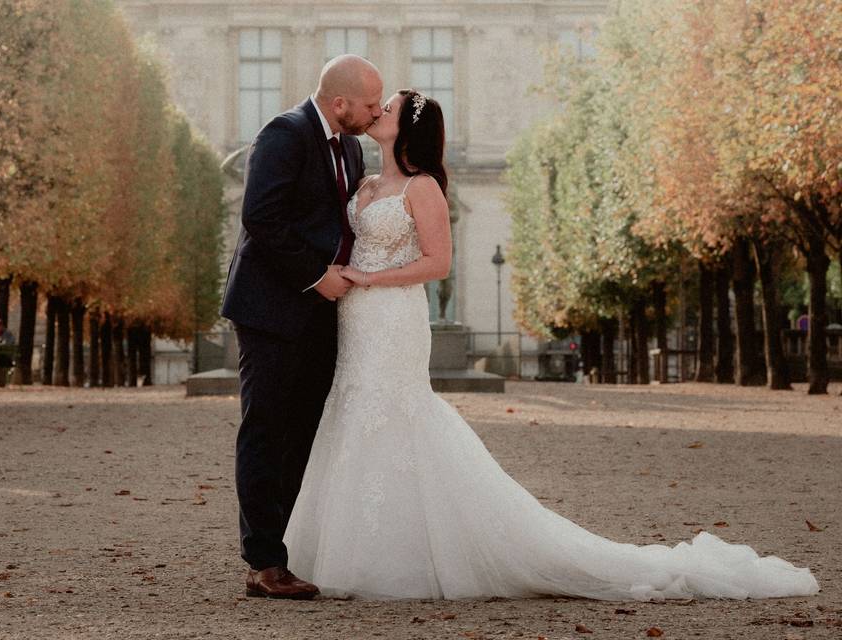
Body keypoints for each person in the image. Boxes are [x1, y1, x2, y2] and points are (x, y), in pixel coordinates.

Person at [281, 89, 820, 601]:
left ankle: (394, 557)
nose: (377, 110)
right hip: (356, 319)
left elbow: (439, 263)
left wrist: (369, 279)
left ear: (409, 125)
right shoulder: (365, 180)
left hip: (392, 314)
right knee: (354, 410)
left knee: (396, 413)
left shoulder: (422, 187)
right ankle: (352, 549)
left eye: (389, 107)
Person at [220, 55, 384, 599]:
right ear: (339, 103)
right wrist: (317, 276)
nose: (376, 111)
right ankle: (264, 562)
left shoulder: (353, 148)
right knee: (266, 429)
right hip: (272, 308)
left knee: (305, 434)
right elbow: (261, 218)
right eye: (368, 104)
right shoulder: (284, 134)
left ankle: (286, 552)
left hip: (320, 310)